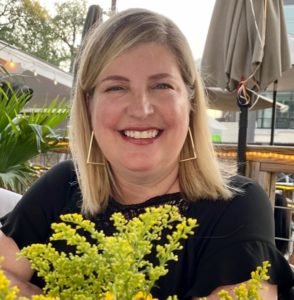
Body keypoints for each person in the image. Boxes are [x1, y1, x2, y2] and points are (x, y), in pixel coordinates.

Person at [0, 8, 293, 299]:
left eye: (161, 85)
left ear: (190, 102)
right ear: (88, 106)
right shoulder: (64, 185)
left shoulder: (238, 207)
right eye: (116, 87)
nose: (141, 109)